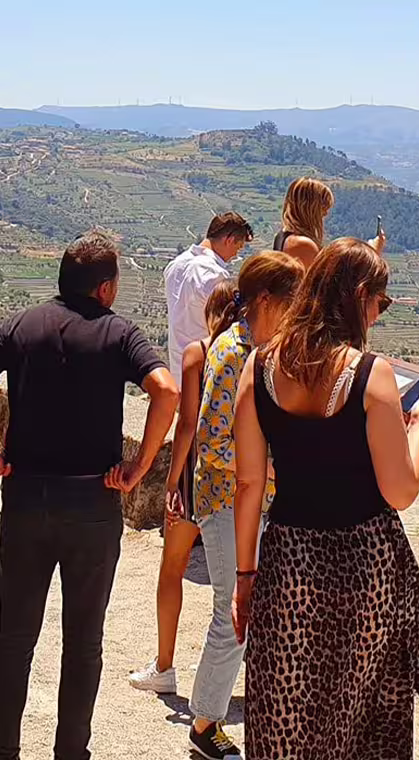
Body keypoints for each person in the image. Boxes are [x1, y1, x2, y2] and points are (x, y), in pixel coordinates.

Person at [231, 238, 419, 759]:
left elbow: (249, 482)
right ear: (361, 295)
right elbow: (402, 490)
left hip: (289, 561)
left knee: (288, 708)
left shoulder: (258, 367)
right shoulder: (371, 375)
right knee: (364, 716)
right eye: (380, 304)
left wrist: (244, 576)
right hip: (366, 566)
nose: (379, 315)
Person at [0, 233, 179, 760]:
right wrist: (139, 465)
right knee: (83, 642)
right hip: (92, 505)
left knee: (12, 638)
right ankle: (71, 752)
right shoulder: (118, 333)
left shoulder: (21, 324)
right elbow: (165, 390)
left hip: (25, 499)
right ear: (105, 288)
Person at [186, 252, 304, 760]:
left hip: (247, 499)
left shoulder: (256, 348)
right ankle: (205, 723)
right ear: (264, 301)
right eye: (290, 302)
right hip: (224, 500)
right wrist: (275, 469)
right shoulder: (235, 352)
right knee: (232, 613)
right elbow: (212, 443)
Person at [128, 280, 236, 694]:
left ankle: (165, 666)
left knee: (171, 568)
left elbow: (188, 423)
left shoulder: (200, 352)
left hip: (197, 478)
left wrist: (172, 481)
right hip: (238, 483)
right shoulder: (256, 355)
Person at [164, 212, 253, 384]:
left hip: (177, 364)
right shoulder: (215, 275)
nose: (235, 255)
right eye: (238, 247)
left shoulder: (175, 265)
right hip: (203, 365)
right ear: (228, 239)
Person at [272, 177, 387, 267]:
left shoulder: (282, 236)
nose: (325, 214)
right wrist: (372, 253)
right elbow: (325, 286)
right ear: (311, 209)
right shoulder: (302, 245)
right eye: (323, 209)